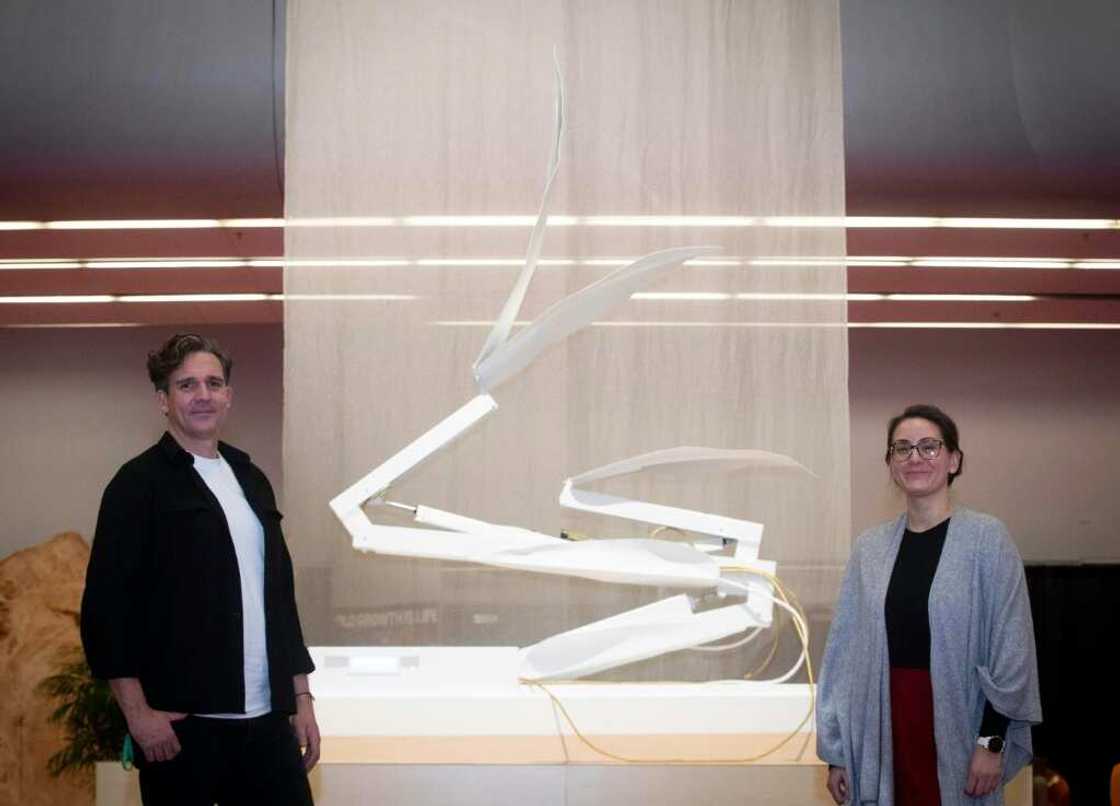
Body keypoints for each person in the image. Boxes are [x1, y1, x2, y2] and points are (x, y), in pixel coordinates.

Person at [81, 333, 320, 805]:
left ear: (229, 395)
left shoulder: (251, 478)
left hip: (268, 724)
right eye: (187, 385)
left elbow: (279, 597)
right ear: (163, 400)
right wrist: (138, 715)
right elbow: (105, 612)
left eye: (213, 383)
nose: (203, 395)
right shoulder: (137, 485)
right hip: (183, 731)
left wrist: (302, 699)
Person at [816, 404, 1041, 805]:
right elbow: (843, 657)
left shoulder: (987, 540)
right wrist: (837, 753)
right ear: (890, 463)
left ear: (954, 460)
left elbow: (1013, 649)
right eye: (902, 448)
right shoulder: (869, 549)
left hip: (959, 723)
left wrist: (991, 742)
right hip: (884, 724)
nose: (915, 457)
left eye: (929, 447)